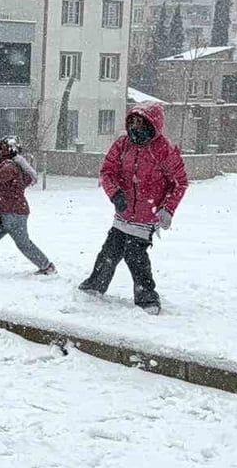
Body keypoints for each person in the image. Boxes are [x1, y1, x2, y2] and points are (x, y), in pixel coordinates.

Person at [78, 102, 189, 315]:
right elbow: (107, 171)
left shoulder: (163, 150)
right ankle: (94, 286)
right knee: (109, 252)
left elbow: (180, 183)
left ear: (153, 124)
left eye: (141, 122)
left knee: (134, 255)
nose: (136, 127)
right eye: (133, 122)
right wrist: (115, 194)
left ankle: (147, 298)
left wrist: (167, 209)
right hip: (123, 214)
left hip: (147, 217)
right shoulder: (122, 145)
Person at [0, 137, 56, 277]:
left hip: (13, 213)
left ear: (7, 150)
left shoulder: (10, 166)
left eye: (1, 148)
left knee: (23, 243)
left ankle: (47, 267)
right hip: (4, 211)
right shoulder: (7, 163)